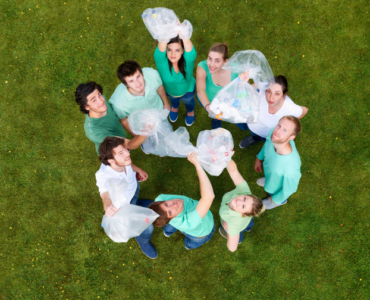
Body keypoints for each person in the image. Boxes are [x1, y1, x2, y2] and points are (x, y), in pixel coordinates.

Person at [95, 136, 158, 259]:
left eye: (125, 149)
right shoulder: (103, 176)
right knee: (148, 228)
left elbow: (128, 163)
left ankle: (138, 203)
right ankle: (143, 241)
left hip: (134, 190)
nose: (127, 153)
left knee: (139, 201)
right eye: (121, 153)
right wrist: (108, 207)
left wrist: (138, 170)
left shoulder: (123, 160)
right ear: (111, 160)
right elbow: (105, 196)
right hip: (125, 207)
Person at [149, 153, 216, 250]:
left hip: (175, 221)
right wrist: (198, 166)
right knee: (193, 242)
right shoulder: (189, 223)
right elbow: (208, 197)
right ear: (172, 218)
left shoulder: (160, 198)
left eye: (166, 204)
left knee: (167, 222)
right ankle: (188, 245)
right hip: (202, 233)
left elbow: (165, 210)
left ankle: (168, 231)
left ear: (162, 202)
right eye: (170, 212)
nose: (173, 205)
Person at [237, 73, 308, 148]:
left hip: (268, 135)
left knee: (267, 144)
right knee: (253, 133)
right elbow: (249, 89)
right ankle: (254, 138)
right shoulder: (263, 88)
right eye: (269, 91)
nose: (271, 98)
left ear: (284, 95)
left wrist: (289, 122)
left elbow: (304, 111)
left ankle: (264, 145)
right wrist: (245, 80)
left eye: (277, 94)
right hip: (252, 126)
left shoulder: (289, 107)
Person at [75, 82, 146, 154]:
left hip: (119, 135)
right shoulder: (93, 132)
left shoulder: (101, 102)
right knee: (124, 161)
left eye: (99, 94)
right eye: (94, 100)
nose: (101, 100)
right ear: (86, 106)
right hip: (111, 154)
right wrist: (146, 130)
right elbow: (129, 144)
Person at [109, 60, 170, 136]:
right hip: (142, 128)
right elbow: (123, 120)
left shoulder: (152, 75)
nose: (138, 83)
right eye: (131, 81)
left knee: (166, 133)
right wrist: (134, 134)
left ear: (142, 73)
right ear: (126, 84)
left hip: (159, 113)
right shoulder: (119, 104)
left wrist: (166, 103)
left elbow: (159, 86)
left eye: (138, 76)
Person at [254, 116, 302, 210]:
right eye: (279, 125)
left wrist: (274, 199)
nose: (277, 131)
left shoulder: (290, 169)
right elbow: (267, 144)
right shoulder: (274, 135)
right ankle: (269, 180)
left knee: (276, 195)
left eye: (285, 130)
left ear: (291, 137)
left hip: (277, 188)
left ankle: (279, 202)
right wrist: (258, 158)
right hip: (271, 172)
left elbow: (289, 189)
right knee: (271, 176)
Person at [218, 159, 265, 252]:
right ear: (247, 194)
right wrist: (227, 156)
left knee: (238, 233)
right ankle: (249, 227)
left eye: (243, 206)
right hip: (247, 218)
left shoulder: (233, 225)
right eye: (244, 199)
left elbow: (232, 248)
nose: (239, 201)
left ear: (243, 214)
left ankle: (239, 239)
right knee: (249, 223)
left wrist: (229, 230)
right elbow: (233, 171)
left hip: (237, 225)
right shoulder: (244, 190)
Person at [155, 34, 197, 126]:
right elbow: (161, 47)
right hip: (170, 92)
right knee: (174, 101)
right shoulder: (161, 62)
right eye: (169, 50)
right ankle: (175, 107)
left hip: (188, 92)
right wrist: (167, 31)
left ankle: (190, 111)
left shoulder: (188, 61)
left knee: (189, 103)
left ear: (183, 51)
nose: (173, 54)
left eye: (177, 50)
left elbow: (189, 48)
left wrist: (182, 32)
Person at [196, 43, 239, 129]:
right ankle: (216, 121)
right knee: (215, 118)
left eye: (217, 61)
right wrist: (209, 107)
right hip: (207, 100)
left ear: (225, 62)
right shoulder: (203, 66)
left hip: (226, 103)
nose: (211, 64)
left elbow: (245, 91)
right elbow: (200, 90)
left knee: (242, 126)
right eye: (210, 59)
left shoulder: (236, 70)